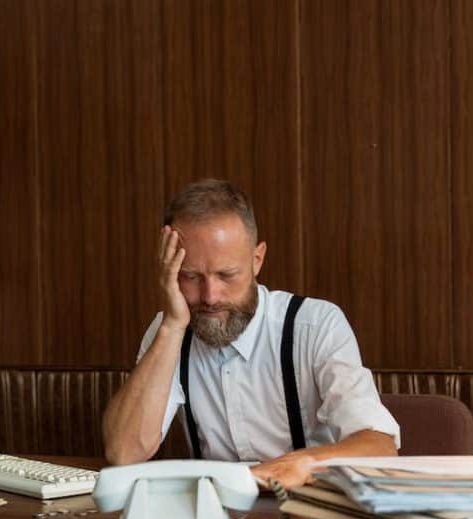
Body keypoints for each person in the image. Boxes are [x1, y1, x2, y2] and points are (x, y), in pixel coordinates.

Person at [102, 179, 400, 488]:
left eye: (226, 275)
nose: (210, 296)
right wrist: (170, 327)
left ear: (257, 260)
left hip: (309, 514)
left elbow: (379, 448)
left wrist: (297, 464)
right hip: (213, 518)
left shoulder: (315, 325)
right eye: (190, 276)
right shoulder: (170, 330)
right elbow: (124, 453)